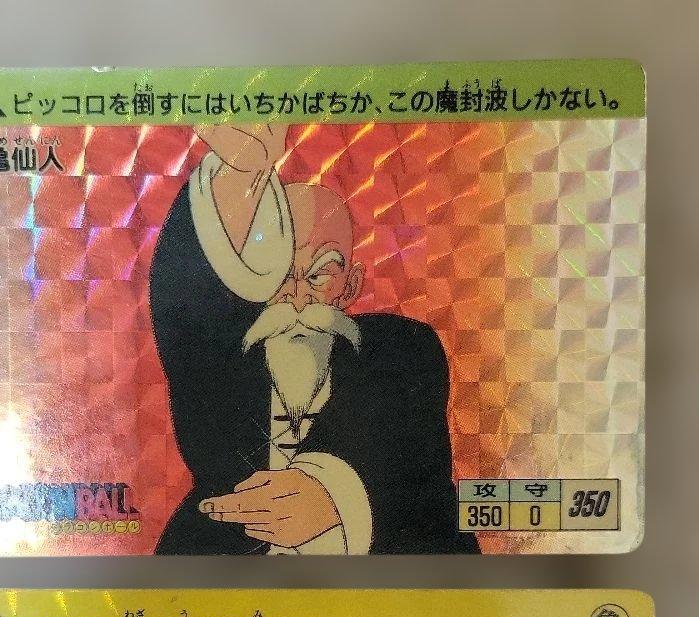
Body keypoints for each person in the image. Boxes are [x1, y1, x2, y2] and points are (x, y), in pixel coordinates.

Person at [149, 123, 475, 554]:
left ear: (350, 285)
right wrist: (238, 176)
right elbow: (179, 298)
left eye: (321, 273)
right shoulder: (222, 360)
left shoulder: (397, 350)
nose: (299, 297)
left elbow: (410, 459)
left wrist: (332, 495)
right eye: (280, 276)